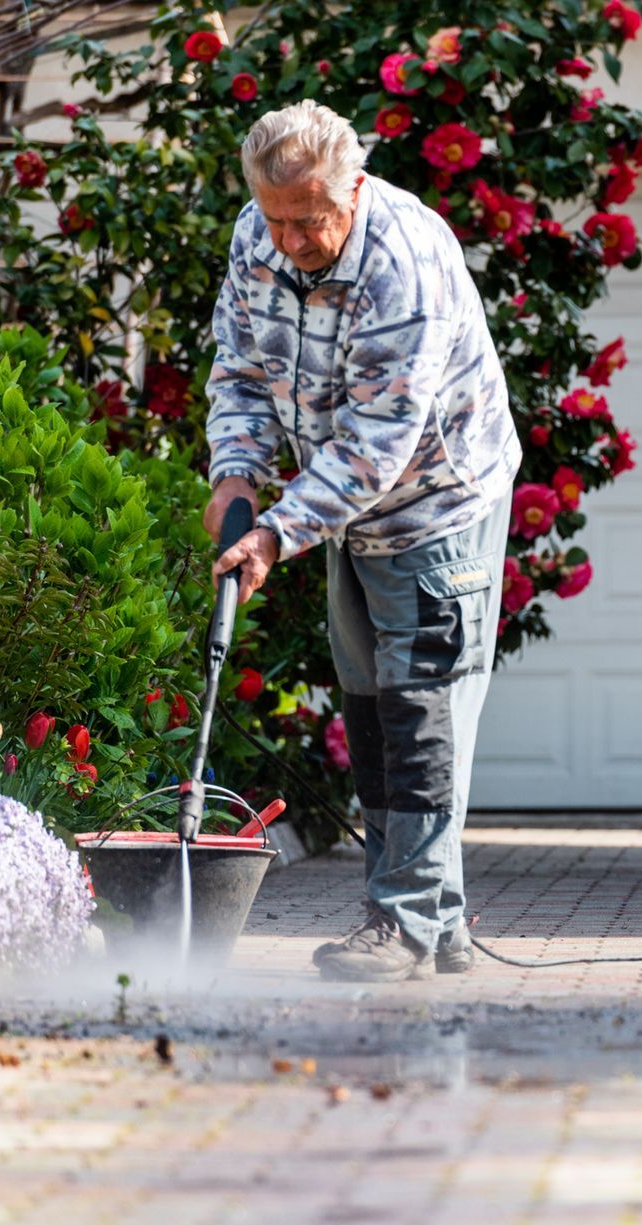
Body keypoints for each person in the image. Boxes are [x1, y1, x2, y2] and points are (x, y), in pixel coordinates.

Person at [203, 100, 520, 982]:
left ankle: (405, 922)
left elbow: (381, 442)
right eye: (276, 219)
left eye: (310, 220)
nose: (291, 241)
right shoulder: (259, 236)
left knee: (421, 709)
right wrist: (235, 472)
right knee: (371, 706)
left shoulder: (402, 265)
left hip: (434, 500)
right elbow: (238, 366)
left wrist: (274, 534)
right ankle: (438, 921)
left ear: (356, 188)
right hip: (339, 509)